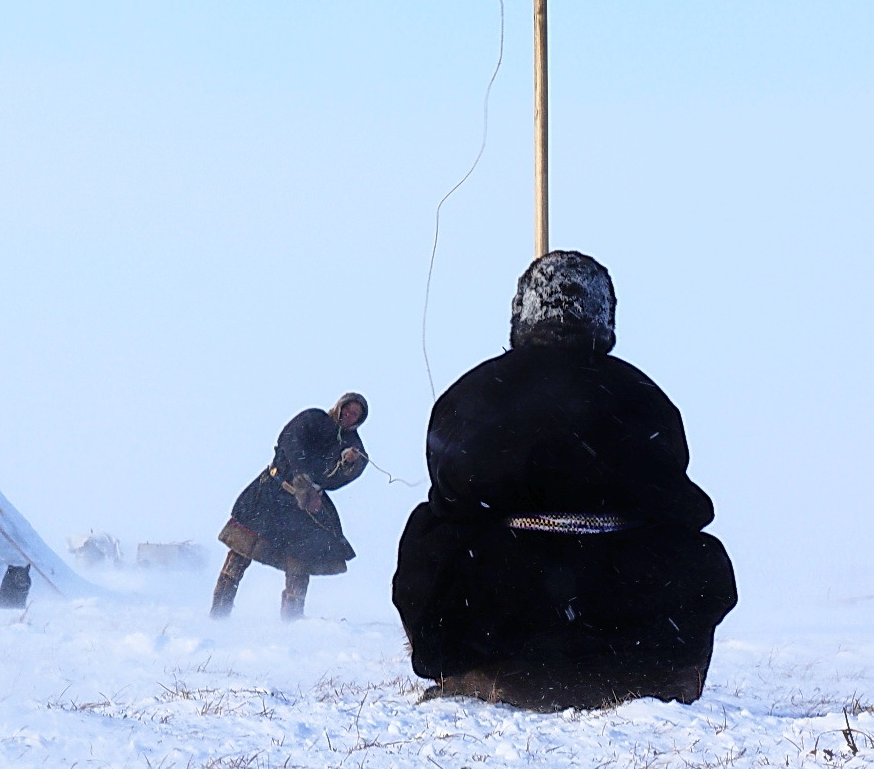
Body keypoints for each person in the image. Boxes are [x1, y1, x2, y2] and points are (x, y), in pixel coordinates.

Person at [393, 253, 736, 707]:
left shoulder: (473, 393)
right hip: (632, 635)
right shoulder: (644, 397)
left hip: (497, 628)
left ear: (522, 312)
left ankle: (474, 672)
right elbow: (677, 505)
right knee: (694, 551)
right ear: (604, 315)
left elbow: (452, 496)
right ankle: (662, 673)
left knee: (429, 534)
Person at [212, 394, 369, 620]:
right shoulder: (313, 418)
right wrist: (300, 476)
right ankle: (218, 615)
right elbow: (290, 441)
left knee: (300, 564)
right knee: (241, 550)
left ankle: (291, 625)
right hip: (270, 493)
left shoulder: (352, 443)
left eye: (355, 414)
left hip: (304, 506)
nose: (349, 415)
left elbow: (346, 473)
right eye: (347, 409)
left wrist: (349, 462)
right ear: (339, 406)